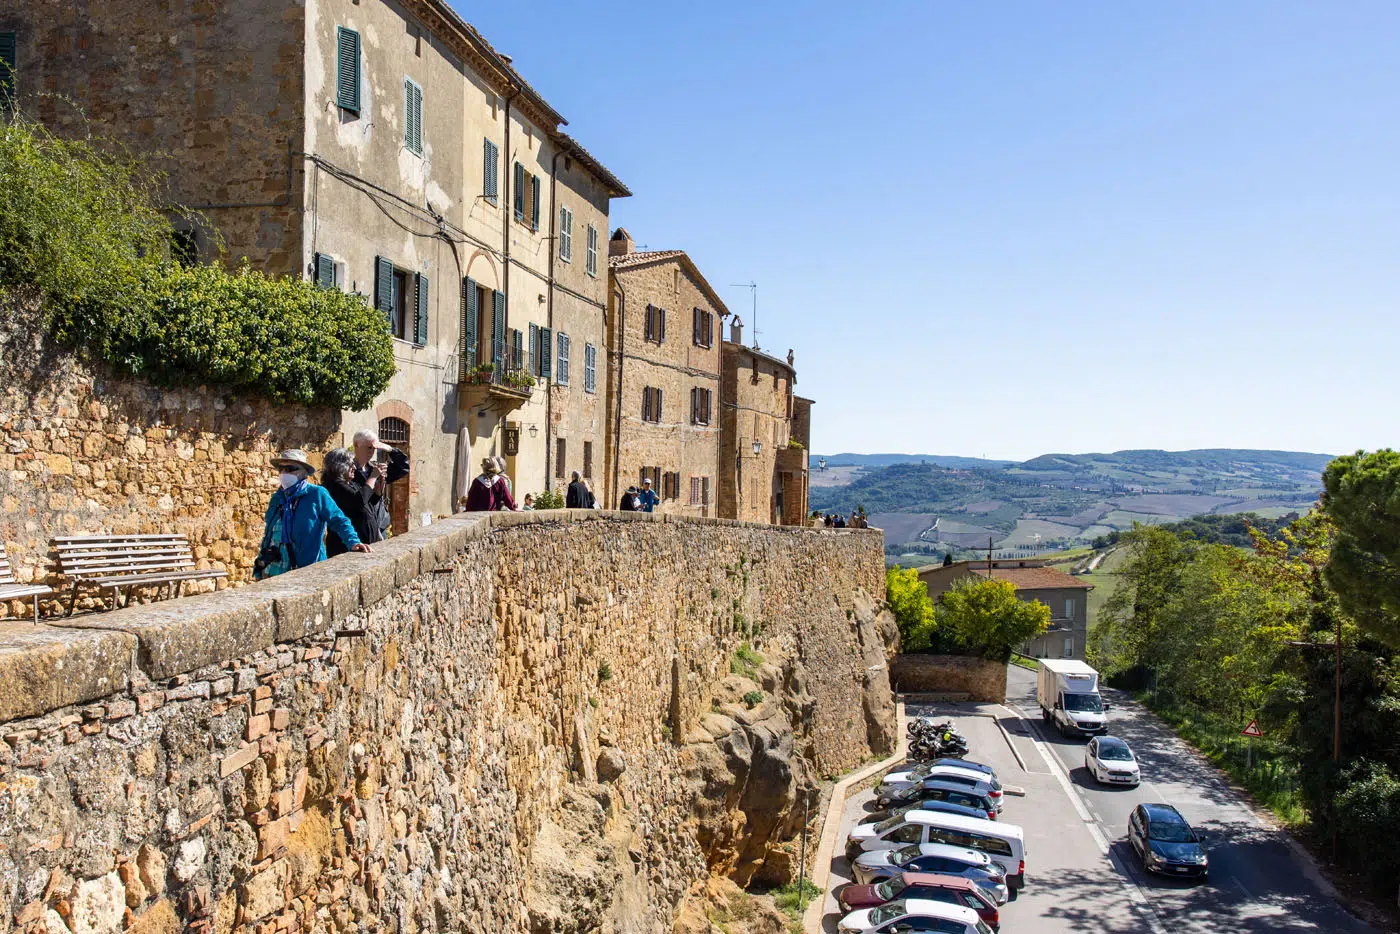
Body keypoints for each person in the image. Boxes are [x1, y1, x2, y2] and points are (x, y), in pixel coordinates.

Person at [256, 449, 370, 579]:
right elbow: (269, 532)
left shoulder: (316, 494)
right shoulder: (278, 498)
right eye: (280, 469)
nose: (284, 473)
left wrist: (353, 541)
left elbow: (339, 520)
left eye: (290, 469)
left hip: (306, 570)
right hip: (274, 569)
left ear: (303, 472)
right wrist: (260, 566)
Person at [351, 430, 409, 542]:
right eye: (369, 447)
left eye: (374, 448)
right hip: (359, 528)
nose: (372, 451)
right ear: (357, 445)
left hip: (379, 525)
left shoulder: (375, 468)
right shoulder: (348, 471)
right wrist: (373, 477)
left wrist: (390, 450)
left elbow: (403, 467)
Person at [322, 447, 378, 557]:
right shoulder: (335, 485)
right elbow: (360, 500)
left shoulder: (350, 483)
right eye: (350, 464)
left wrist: (379, 487)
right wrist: (373, 477)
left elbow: (369, 502)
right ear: (339, 466)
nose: (354, 468)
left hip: (363, 543)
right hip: (345, 545)